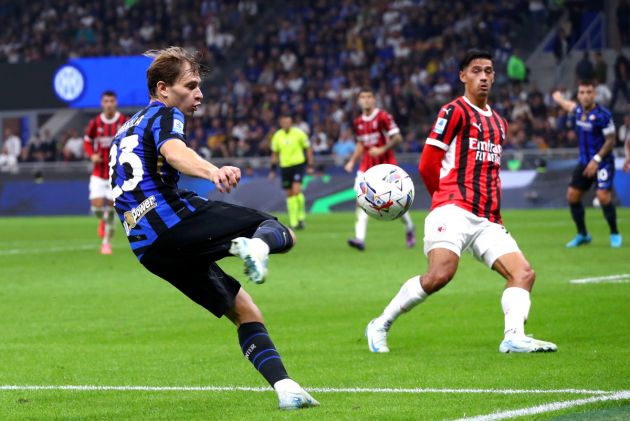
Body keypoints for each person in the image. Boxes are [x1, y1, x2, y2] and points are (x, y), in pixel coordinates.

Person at [109, 47, 318, 410]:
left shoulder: (126, 128)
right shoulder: (166, 114)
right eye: (190, 86)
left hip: (148, 248)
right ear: (162, 89)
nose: (199, 94)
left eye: (199, 86)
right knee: (277, 230)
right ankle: (255, 247)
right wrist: (213, 171)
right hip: (171, 220)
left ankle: (286, 388)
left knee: (244, 310)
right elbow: (175, 152)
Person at [365, 50, 557, 354]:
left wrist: (494, 214)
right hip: (453, 208)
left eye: (489, 71)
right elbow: (429, 163)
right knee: (441, 274)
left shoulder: (500, 123)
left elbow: (490, 173)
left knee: (523, 274)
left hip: (488, 218)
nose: (483, 76)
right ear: (463, 76)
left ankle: (513, 336)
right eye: (477, 70)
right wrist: (442, 200)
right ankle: (380, 323)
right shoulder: (453, 112)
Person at [344, 87, 415, 251]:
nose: (366, 100)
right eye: (363, 97)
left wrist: (382, 149)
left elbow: (398, 137)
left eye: (369, 96)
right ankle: (359, 239)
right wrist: (352, 161)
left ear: (374, 99)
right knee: (361, 201)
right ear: (359, 100)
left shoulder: (383, 116)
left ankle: (409, 227)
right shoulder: (358, 123)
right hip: (366, 167)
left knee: (396, 203)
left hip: (386, 167)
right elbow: (361, 143)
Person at [552, 81, 622, 248]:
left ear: (594, 94)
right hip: (584, 162)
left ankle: (614, 233)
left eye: (589, 92)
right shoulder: (578, 111)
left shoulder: (603, 115)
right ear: (578, 95)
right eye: (582, 92)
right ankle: (583, 234)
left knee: (603, 196)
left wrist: (596, 160)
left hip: (602, 162)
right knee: (572, 196)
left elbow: (611, 140)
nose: (585, 95)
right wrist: (559, 98)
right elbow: (569, 106)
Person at [84, 90, 127, 254]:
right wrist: (92, 154)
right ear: (102, 103)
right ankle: (103, 221)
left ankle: (106, 243)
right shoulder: (95, 123)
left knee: (109, 209)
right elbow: (87, 141)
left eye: (111, 101)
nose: (109, 104)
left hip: (115, 173)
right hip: (98, 172)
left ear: (115, 102)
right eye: (106, 101)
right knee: (96, 208)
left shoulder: (124, 122)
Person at [268, 114, 313, 230]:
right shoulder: (277, 136)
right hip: (285, 167)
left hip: (298, 165)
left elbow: (308, 148)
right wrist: (272, 170)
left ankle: (301, 217)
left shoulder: (299, 133)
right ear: (281, 123)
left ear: (291, 122)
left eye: (288, 122)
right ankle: (293, 222)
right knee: (289, 194)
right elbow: (274, 153)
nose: (286, 124)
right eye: (284, 122)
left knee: (297, 190)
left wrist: (310, 165)